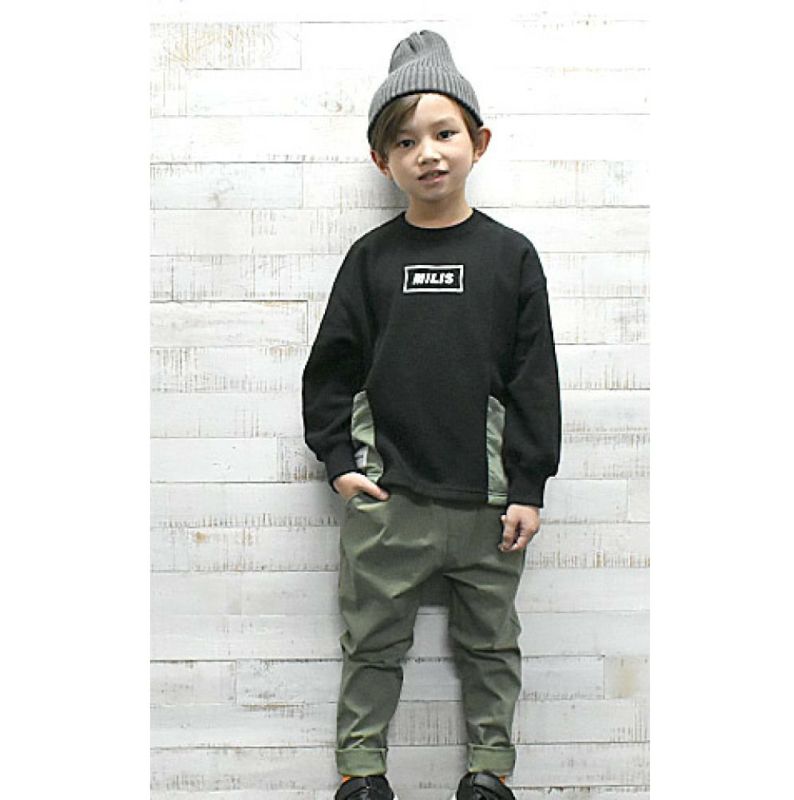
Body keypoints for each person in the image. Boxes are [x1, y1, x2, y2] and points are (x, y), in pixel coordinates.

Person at [302, 29, 562, 800]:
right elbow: (331, 370)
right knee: (371, 644)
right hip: (389, 503)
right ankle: (361, 774)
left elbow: (535, 378)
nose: (428, 154)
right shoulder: (370, 260)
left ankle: (490, 774)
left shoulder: (512, 257)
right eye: (405, 141)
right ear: (381, 159)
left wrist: (529, 486)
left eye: (444, 133)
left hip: (490, 505)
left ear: (479, 141)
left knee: (491, 646)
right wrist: (341, 465)